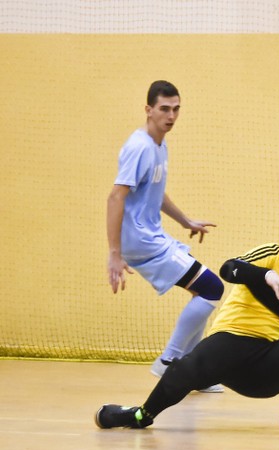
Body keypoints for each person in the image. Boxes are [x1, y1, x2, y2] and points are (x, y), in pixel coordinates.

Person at [95, 209, 279, 433]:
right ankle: (140, 415)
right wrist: (267, 276)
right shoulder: (273, 255)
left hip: (270, 368)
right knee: (183, 371)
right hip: (233, 342)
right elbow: (229, 269)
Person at [106, 80, 224, 393]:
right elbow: (115, 197)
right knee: (212, 287)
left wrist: (186, 220)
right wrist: (114, 254)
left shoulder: (160, 144)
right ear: (148, 109)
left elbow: (155, 192)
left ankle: (192, 371)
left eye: (176, 109)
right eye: (164, 109)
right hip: (140, 242)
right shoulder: (139, 147)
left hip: (152, 236)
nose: (171, 116)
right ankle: (171, 361)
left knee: (205, 291)